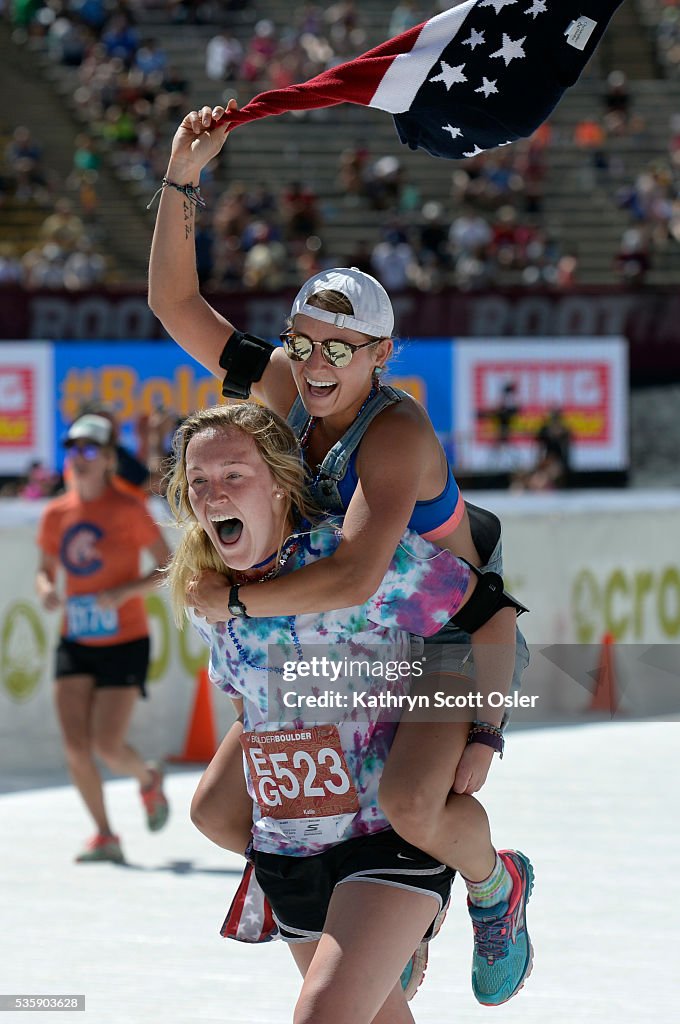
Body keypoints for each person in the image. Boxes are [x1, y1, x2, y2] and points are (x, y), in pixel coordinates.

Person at [148, 103, 532, 1007]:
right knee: (216, 810)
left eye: (343, 349)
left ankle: (492, 886)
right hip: (341, 642)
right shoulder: (286, 379)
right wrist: (182, 172)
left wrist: (486, 725)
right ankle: (370, 909)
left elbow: (363, 573)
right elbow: (173, 304)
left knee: (410, 807)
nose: (317, 362)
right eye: (305, 343)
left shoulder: (392, 431)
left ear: (383, 354)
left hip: (446, 640)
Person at [165, 402, 533, 1022]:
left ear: (282, 483)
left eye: (233, 474)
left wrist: (482, 730)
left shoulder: (351, 561)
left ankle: (493, 885)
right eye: (197, 481)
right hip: (293, 857)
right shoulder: (208, 592)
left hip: (385, 844)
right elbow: (248, 712)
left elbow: (488, 615)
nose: (212, 494)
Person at [35, 414, 172, 863]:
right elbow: (45, 569)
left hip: (125, 640)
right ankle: (104, 834)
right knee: (75, 747)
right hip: (74, 640)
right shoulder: (56, 511)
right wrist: (46, 590)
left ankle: (147, 778)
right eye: (72, 449)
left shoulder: (130, 507)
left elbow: (167, 565)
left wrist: (125, 591)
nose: (79, 458)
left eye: (89, 450)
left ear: (110, 459)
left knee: (107, 746)